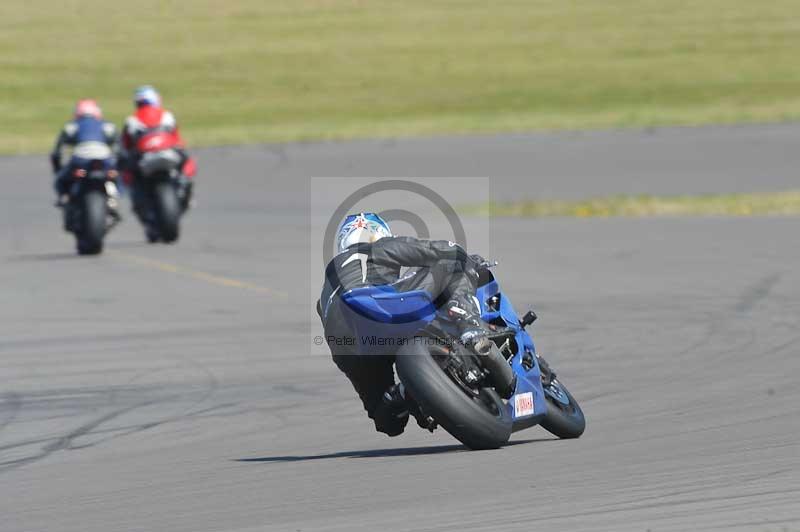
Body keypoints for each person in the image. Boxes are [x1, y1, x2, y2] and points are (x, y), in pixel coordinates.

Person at [318, 212, 506, 437]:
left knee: (388, 422)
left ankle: (400, 395)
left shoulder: (326, 286)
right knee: (451, 263)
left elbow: (326, 317)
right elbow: (437, 250)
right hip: (376, 308)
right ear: (378, 233)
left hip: (346, 346)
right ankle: (470, 327)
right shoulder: (377, 247)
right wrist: (468, 259)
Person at [119, 85, 195, 216]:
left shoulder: (131, 120)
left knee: (127, 169)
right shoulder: (167, 116)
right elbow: (178, 141)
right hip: (165, 154)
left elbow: (125, 147)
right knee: (185, 160)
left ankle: (182, 185)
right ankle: (184, 185)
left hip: (148, 156)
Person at [50, 99, 119, 209]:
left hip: (81, 163)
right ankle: (113, 198)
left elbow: (57, 152)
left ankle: (65, 197)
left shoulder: (72, 126)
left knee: (61, 179)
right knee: (113, 175)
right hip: (105, 161)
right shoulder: (107, 126)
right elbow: (120, 147)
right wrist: (117, 165)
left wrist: (58, 169)